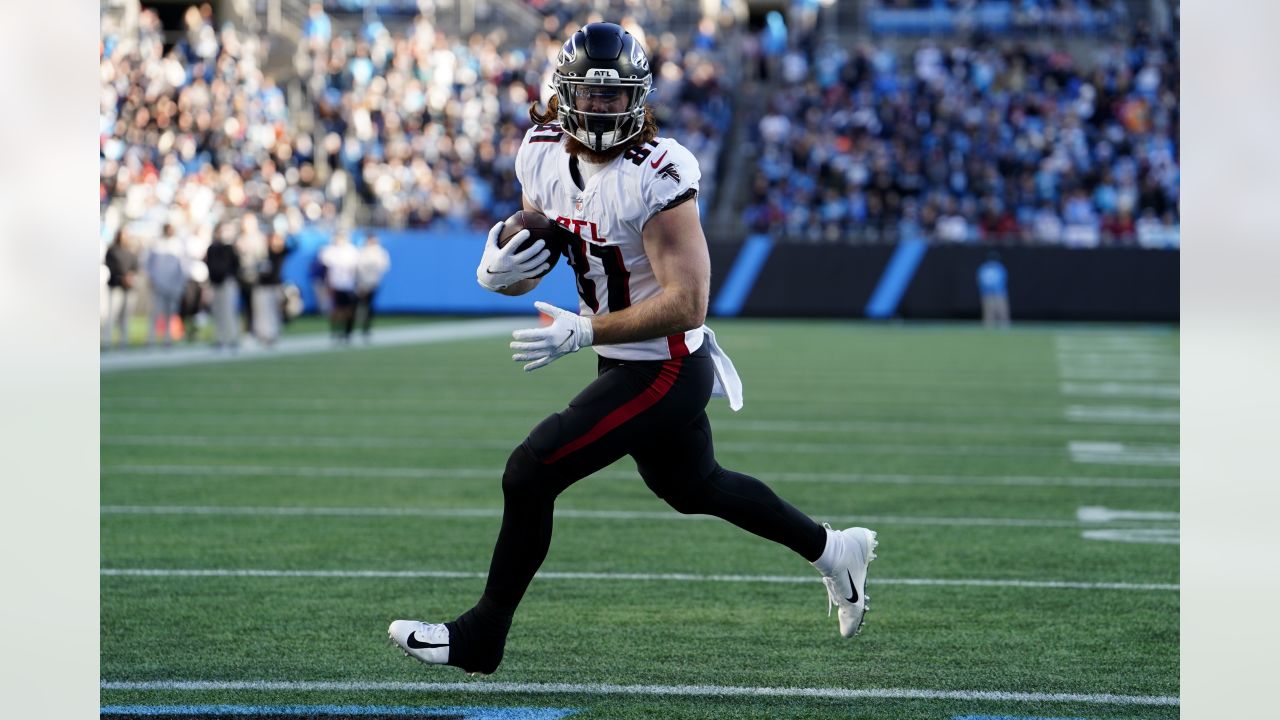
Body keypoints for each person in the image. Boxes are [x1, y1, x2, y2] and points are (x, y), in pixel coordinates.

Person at [388, 22, 878, 677]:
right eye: (590, 96)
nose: (601, 109)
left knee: (530, 470)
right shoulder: (537, 152)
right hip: (622, 357)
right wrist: (502, 256)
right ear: (562, 94)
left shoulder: (658, 172)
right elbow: (546, 231)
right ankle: (833, 550)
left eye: (616, 97)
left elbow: (688, 302)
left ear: (639, 99)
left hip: (667, 365)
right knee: (693, 486)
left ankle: (480, 639)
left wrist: (586, 329)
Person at [145, 223, 189, 346]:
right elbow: (148, 264)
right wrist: (152, 279)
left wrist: (181, 283)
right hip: (159, 284)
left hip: (173, 285)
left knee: (170, 313)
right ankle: (151, 338)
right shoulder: (156, 244)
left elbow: (183, 265)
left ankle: (167, 339)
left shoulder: (178, 244)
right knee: (155, 312)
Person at [102, 230, 139, 349]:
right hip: (115, 287)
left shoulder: (130, 252)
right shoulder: (112, 251)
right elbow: (111, 267)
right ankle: (106, 341)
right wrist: (121, 278)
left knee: (125, 318)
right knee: (112, 315)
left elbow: (135, 268)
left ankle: (123, 342)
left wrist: (130, 278)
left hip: (128, 289)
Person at [320, 233, 360, 343]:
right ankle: (335, 331)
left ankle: (347, 332)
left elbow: (356, 270)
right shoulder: (330, 251)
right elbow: (327, 270)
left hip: (349, 286)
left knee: (349, 310)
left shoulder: (352, 251)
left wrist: (357, 284)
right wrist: (328, 285)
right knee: (336, 310)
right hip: (336, 285)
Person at [354, 234, 391, 342]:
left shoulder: (380, 252)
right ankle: (352, 329)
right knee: (359, 306)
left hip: (374, 282)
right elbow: (358, 268)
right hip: (362, 283)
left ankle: (366, 328)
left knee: (369, 306)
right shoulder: (362, 251)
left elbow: (383, 267)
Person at [977, 251, 1010, 329]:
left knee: (1002, 310)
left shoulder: (999, 267)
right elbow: (981, 280)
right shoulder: (984, 268)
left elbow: (1003, 280)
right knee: (988, 311)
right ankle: (989, 326)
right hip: (987, 293)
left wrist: (997, 290)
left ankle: (1004, 325)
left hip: (999, 293)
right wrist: (987, 290)